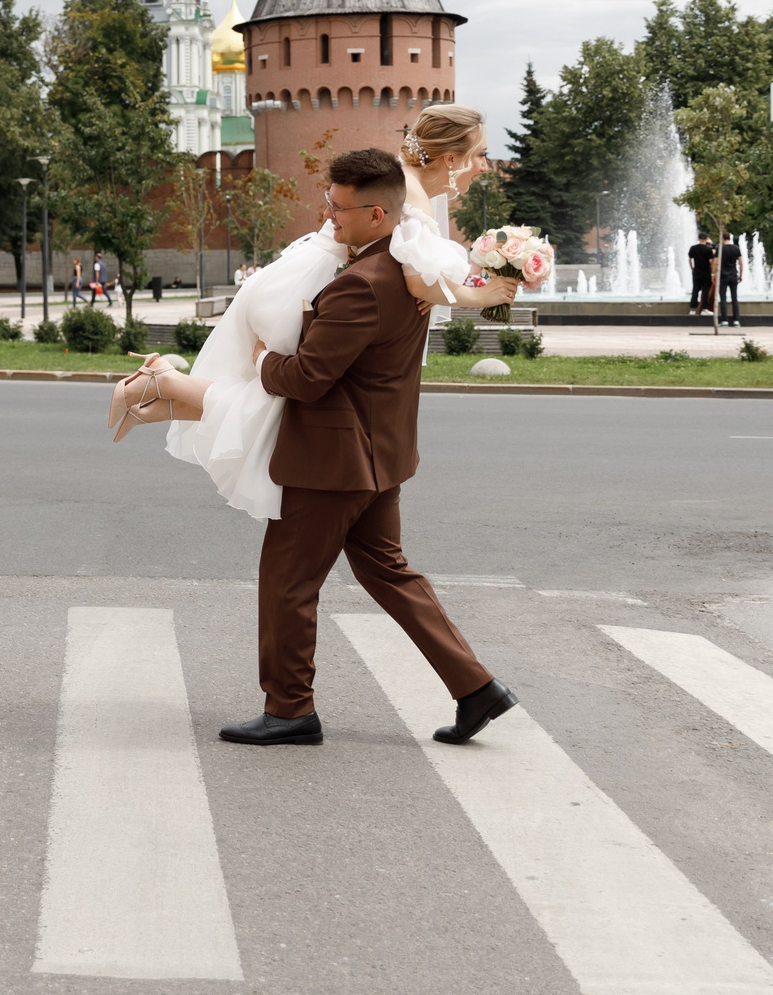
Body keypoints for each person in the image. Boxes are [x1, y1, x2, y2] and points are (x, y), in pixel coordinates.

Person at [111, 106, 524, 747]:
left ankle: (290, 710)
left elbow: (306, 379)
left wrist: (263, 359)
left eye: (339, 207)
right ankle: (477, 688)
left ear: (379, 215)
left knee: (288, 584)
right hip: (382, 453)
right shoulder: (412, 277)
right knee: (388, 573)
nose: (327, 215)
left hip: (332, 461)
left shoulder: (360, 285)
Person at [687, 232, 714, 315]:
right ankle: (704, 309)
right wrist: (712, 271)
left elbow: (690, 259)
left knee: (695, 290)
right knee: (705, 291)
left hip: (696, 272)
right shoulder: (708, 249)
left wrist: (692, 268)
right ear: (706, 239)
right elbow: (711, 261)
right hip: (706, 272)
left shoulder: (693, 248)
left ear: (698, 239)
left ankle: (692, 309)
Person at [717, 234, 741, 324]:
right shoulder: (736, 248)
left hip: (722, 276)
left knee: (723, 298)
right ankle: (736, 320)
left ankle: (724, 320)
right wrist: (741, 274)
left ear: (722, 238)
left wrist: (713, 274)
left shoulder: (720, 248)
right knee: (734, 297)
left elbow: (715, 262)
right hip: (733, 275)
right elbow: (741, 262)